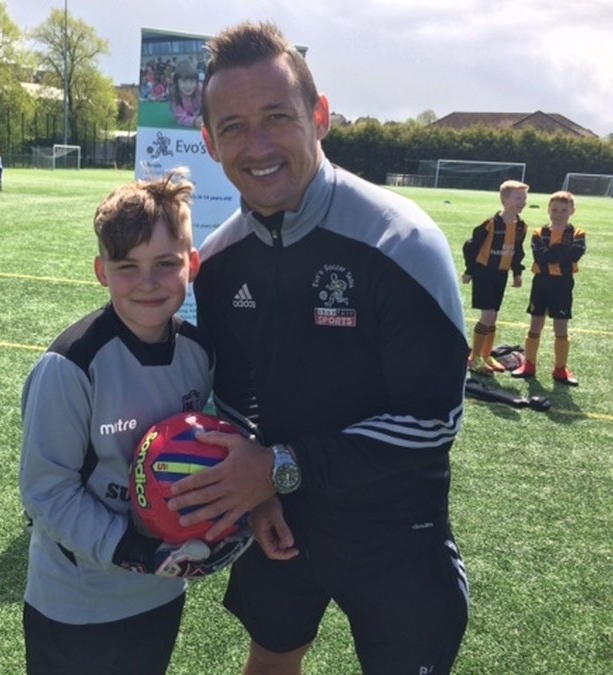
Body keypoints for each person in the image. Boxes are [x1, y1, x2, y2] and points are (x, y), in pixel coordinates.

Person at [165, 22, 470, 675]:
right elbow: (235, 393)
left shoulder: (401, 243)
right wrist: (266, 490)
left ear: (320, 116)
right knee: (269, 662)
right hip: (281, 522)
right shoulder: (217, 263)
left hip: (397, 532)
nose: (259, 144)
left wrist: (277, 465)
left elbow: (433, 419)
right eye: (236, 126)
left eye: (277, 116)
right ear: (210, 141)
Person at [19, 170, 247, 675]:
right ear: (102, 271)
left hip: (159, 594)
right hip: (76, 603)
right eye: (128, 266)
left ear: (192, 264)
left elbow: (201, 449)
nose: (148, 283)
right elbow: (46, 493)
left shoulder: (199, 352)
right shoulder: (71, 367)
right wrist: (134, 550)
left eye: (166, 264)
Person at [511, 190, 586, 385]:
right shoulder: (539, 233)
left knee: (561, 325)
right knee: (536, 324)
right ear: (548, 211)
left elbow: (575, 255)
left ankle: (560, 369)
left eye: (563, 209)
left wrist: (555, 254)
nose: (558, 213)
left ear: (572, 211)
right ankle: (529, 365)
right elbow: (541, 257)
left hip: (563, 284)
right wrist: (561, 253)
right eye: (554, 209)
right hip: (542, 282)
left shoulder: (578, 233)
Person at [462, 179, 529, 375]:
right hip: (484, 272)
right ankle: (474, 357)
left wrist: (517, 273)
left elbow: (517, 251)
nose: (523, 202)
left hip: (501, 274)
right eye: (518, 198)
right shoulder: (490, 224)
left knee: (493, 316)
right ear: (505, 199)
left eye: (525, 198)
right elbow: (471, 246)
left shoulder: (521, 227)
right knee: (488, 315)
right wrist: (469, 271)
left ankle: (486, 355)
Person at [169, 59, 203, 128]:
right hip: (191, 116)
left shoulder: (201, 89)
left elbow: (212, 108)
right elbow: (181, 118)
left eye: (192, 81)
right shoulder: (175, 95)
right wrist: (194, 121)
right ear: (177, 82)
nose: (188, 86)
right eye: (184, 81)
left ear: (197, 81)